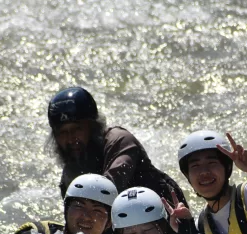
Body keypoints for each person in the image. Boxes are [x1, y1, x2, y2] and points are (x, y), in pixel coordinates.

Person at [46, 86, 187, 204]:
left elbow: (108, 189)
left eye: (77, 129)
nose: (70, 139)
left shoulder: (120, 140)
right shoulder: (71, 172)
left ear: (92, 126)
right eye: (62, 133)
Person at [12, 173, 117, 234]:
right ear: (66, 210)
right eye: (79, 206)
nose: (86, 217)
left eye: (97, 211)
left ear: (109, 223)